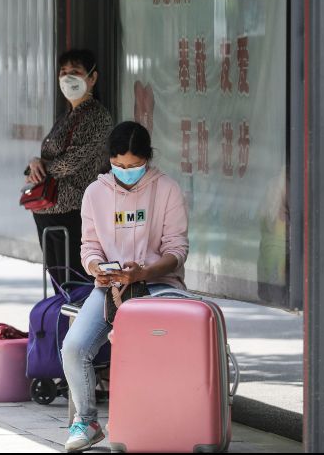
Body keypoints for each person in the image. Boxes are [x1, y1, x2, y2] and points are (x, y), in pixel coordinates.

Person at [61, 121, 189, 452]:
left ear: (147, 159)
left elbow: (177, 251)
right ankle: (87, 421)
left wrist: (144, 272)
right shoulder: (95, 193)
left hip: (159, 286)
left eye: (133, 166)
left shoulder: (167, 189)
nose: (125, 172)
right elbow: (89, 248)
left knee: (145, 347)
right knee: (74, 348)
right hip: (109, 288)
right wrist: (96, 270)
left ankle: (158, 420)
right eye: (118, 165)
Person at [26, 49, 112, 285]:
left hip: (73, 210)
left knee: (75, 280)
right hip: (49, 209)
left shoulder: (95, 116)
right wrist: (35, 165)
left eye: (75, 72)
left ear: (92, 78)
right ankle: (64, 323)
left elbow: (72, 160)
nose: (67, 77)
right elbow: (51, 158)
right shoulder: (68, 115)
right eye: (63, 72)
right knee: (59, 282)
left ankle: (78, 323)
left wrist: (42, 167)